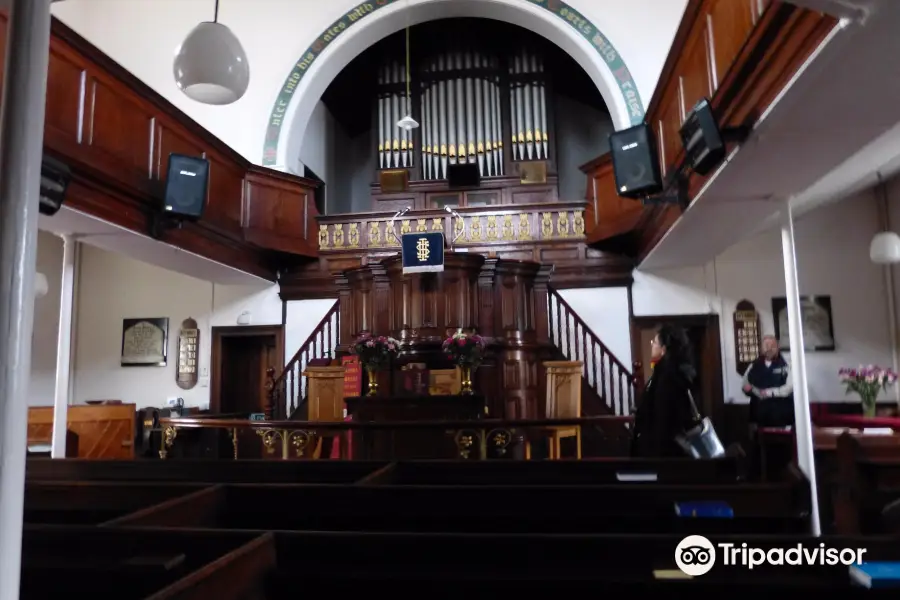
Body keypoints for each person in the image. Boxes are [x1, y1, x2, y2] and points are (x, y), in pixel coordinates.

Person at [631, 324, 697, 458]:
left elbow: (664, 415)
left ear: (663, 349)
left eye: (654, 342)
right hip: (661, 445)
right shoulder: (665, 372)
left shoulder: (668, 376)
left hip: (662, 450)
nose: (652, 345)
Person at [742, 335, 794, 428]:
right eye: (766, 345)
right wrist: (748, 389)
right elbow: (745, 383)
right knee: (758, 441)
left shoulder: (787, 364)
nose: (769, 348)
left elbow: (790, 387)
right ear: (761, 348)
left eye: (772, 345)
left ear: (778, 347)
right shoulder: (753, 365)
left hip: (781, 417)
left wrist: (769, 393)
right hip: (758, 416)